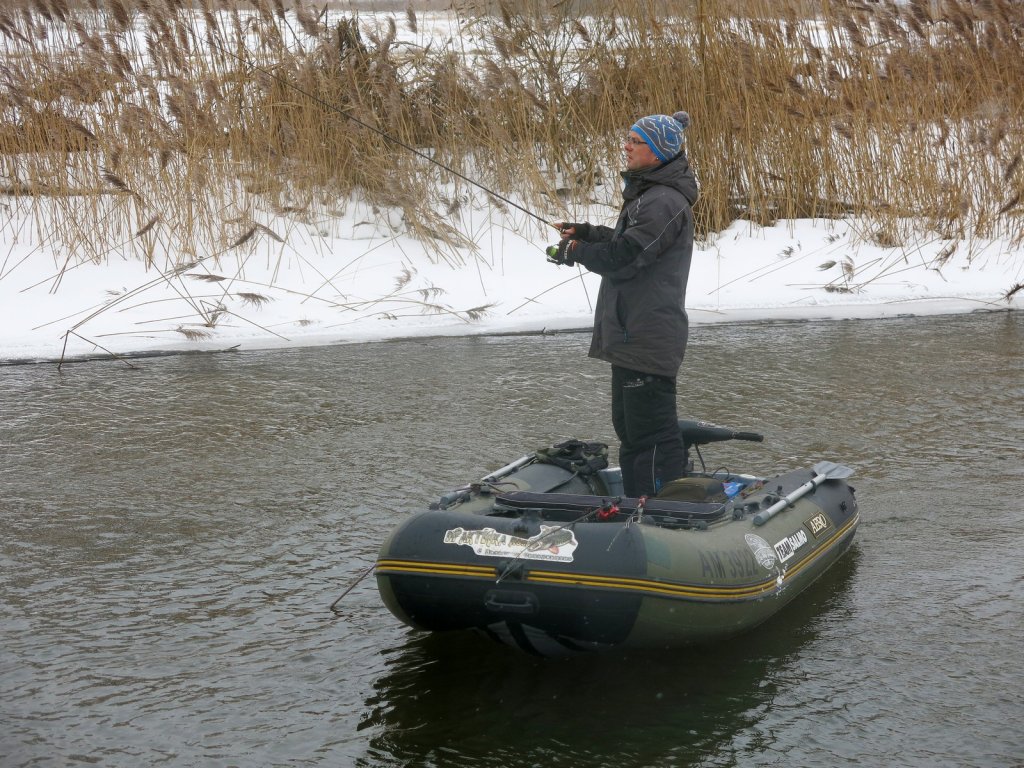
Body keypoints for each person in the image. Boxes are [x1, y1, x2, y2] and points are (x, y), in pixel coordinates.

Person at [548, 111, 698, 498]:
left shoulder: (663, 201)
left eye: (635, 141)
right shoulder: (649, 196)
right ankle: (638, 508)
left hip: (647, 336)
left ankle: (663, 512)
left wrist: (579, 250)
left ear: (659, 151)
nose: (626, 147)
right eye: (627, 139)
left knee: (649, 435)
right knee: (630, 432)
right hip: (631, 335)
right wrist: (586, 234)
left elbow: (628, 257)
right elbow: (622, 241)